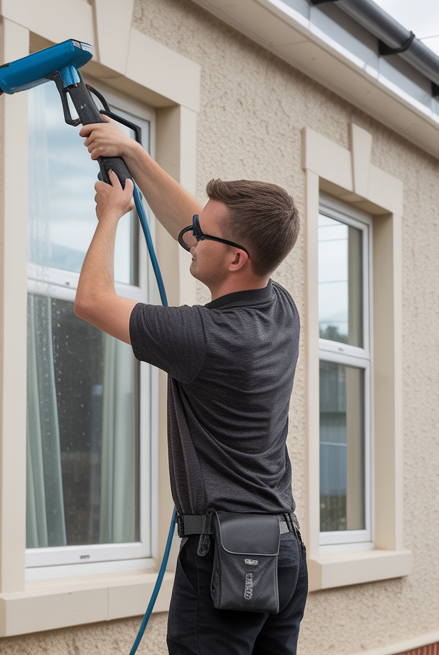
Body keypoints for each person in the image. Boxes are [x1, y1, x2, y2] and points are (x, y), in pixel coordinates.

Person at [74, 118, 306, 655]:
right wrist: (131, 150)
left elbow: (91, 301)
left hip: (227, 556)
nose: (191, 237)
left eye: (205, 234)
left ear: (235, 259)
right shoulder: (279, 307)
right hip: (281, 548)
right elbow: (192, 222)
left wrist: (110, 217)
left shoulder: (207, 337)